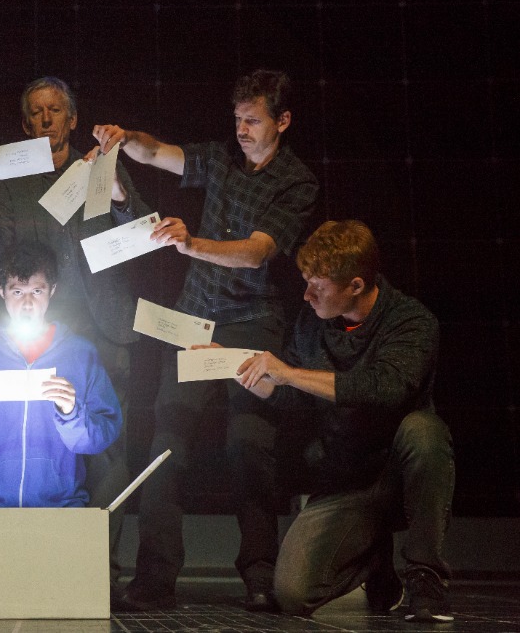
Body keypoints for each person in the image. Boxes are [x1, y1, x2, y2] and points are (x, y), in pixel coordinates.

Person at [94, 69, 319, 611]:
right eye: (237, 119)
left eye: (253, 121)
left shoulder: (297, 181)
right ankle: (155, 576)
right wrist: (122, 140)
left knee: (248, 445)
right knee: (165, 442)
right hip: (195, 321)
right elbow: (157, 153)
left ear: (282, 122)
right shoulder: (221, 158)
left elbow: (257, 251)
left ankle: (261, 573)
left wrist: (191, 244)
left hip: (251, 323)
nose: (241, 130)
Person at [0, 76, 152, 589]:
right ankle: (38, 567)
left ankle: (101, 572)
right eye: (37, 113)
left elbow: (138, 228)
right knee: (40, 444)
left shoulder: (98, 167)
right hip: (35, 333)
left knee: (107, 448)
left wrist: (115, 190)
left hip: (103, 327)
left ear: (72, 118)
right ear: (26, 124)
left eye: (56, 111)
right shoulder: (9, 180)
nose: (47, 119)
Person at [232, 220, 454, 622]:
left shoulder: (411, 321)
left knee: (424, 431)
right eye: (305, 281)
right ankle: (372, 559)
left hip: (401, 475)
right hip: (346, 476)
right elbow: (294, 396)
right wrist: (246, 373)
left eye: (319, 285)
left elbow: (385, 387)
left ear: (355, 285)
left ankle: (426, 576)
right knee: (294, 593)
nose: (306, 293)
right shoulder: (311, 323)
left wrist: (288, 373)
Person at [0, 241, 122, 507]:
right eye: (17, 291)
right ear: (2, 292)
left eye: (37, 291)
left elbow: (100, 440)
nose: (28, 303)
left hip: (61, 506)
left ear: (52, 291)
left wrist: (71, 414)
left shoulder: (81, 354)